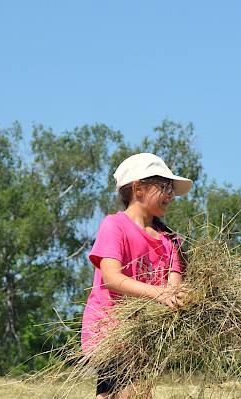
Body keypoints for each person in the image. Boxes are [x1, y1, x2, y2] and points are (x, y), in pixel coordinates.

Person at [81, 152, 192, 399]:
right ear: (138, 189)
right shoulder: (114, 226)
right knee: (133, 391)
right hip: (110, 328)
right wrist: (160, 294)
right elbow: (112, 278)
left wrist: (180, 297)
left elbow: (174, 287)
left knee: (119, 393)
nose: (170, 194)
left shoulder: (170, 241)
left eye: (172, 189)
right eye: (164, 186)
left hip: (142, 333)